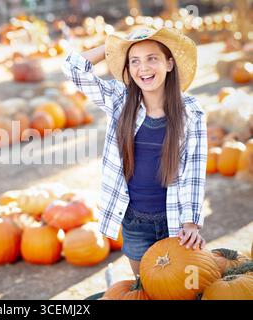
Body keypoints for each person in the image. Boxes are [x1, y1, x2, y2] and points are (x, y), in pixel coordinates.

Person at [62, 26, 208, 277]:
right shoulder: (119, 99)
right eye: (134, 61)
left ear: (169, 64)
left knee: (178, 288)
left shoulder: (190, 110)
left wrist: (190, 222)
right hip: (135, 221)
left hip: (173, 218)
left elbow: (194, 171)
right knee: (145, 286)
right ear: (128, 69)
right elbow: (72, 67)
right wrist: (113, 47)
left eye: (152, 58)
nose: (144, 68)